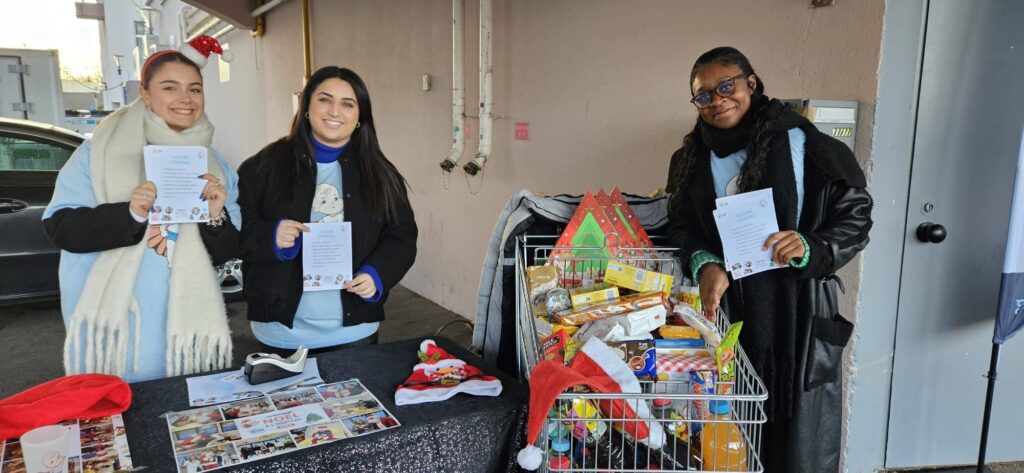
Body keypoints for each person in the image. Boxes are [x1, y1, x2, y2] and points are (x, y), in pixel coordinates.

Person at [665, 47, 872, 472]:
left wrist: (811, 246)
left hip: (797, 314)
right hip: (726, 314)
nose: (718, 100)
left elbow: (855, 218)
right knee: (726, 432)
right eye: (704, 95)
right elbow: (679, 225)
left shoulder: (803, 145)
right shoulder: (688, 159)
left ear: (751, 83)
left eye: (727, 86)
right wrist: (705, 262)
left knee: (797, 444)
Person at [43, 36, 239, 382]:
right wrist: (130, 212)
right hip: (121, 331)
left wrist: (215, 216)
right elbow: (62, 227)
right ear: (146, 94)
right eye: (170, 87)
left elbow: (230, 250)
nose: (185, 99)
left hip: (186, 332)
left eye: (195, 89)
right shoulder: (98, 153)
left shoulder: (215, 164)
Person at [237, 66, 417, 356]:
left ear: (360, 117)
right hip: (281, 332)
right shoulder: (263, 166)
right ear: (307, 107)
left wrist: (377, 274)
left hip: (354, 331)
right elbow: (236, 228)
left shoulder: (380, 174)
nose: (335, 111)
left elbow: (402, 237)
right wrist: (270, 236)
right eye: (324, 99)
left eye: (348, 104)